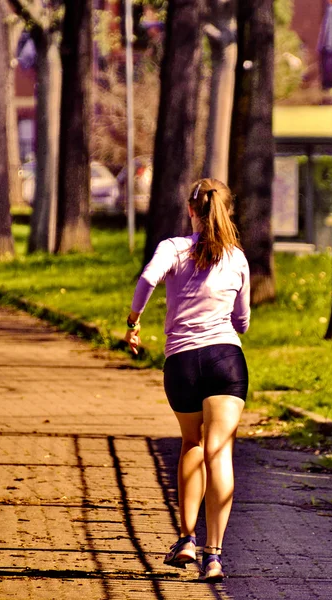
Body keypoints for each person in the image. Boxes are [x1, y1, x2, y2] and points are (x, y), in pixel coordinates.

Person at [124, 178, 250, 583]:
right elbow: (242, 321)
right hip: (225, 360)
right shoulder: (237, 258)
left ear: (190, 210)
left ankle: (187, 540)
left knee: (192, 443)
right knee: (220, 451)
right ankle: (215, 556)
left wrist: (133, 321)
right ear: (227, 210)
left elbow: (147, 280)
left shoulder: (174, 249)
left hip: (181, 362)